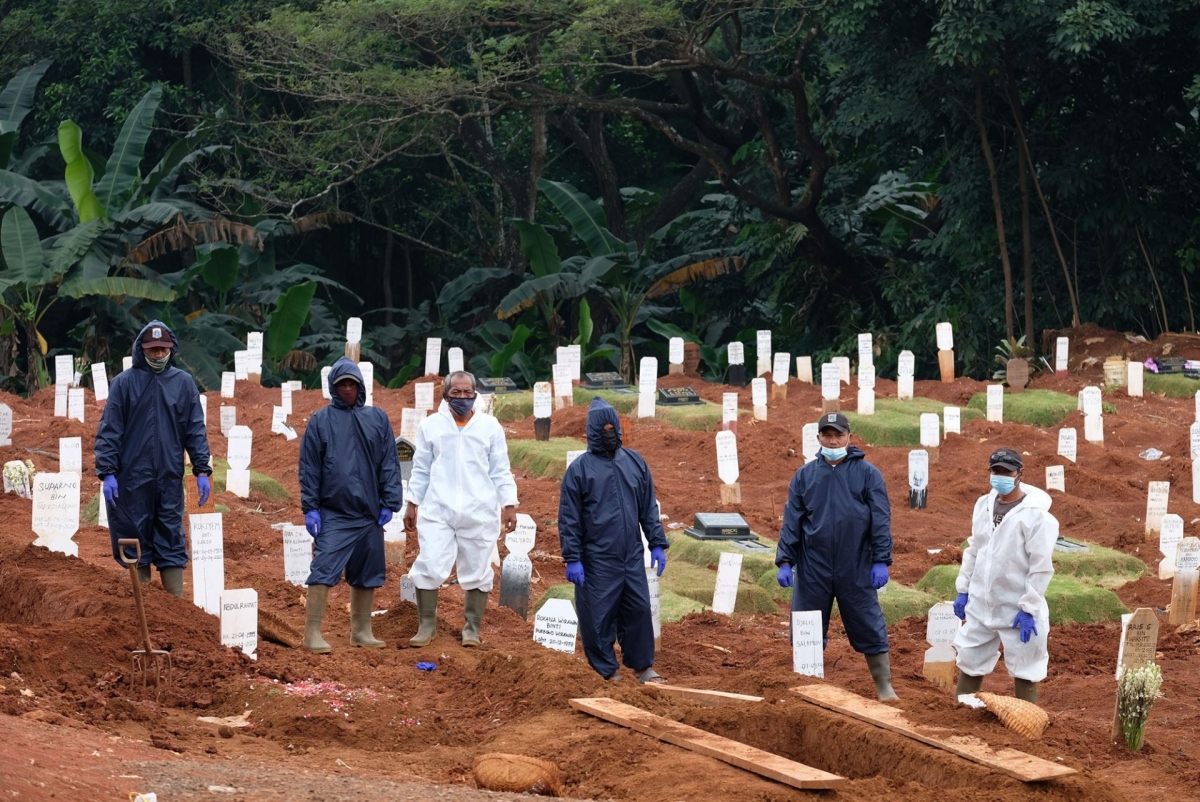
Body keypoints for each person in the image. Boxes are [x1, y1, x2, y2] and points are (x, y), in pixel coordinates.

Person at [776, 412, 897, 700]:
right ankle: (809, 680)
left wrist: (881, 559)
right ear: (818, 438)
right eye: (827, 435)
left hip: (855, 561)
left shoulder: (868, 474)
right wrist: (785, 560)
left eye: (838, 435)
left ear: (848, 437)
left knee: (867, 620)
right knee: (807, 622)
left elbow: (880, 519)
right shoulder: (805, 476)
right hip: (813, 563)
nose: (833, 440)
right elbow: (792, 520)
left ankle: (883, 685)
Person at [95, 320, 213, 598]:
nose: (158, 354)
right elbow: (110, 429)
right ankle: (144, 605)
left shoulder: (183, 384)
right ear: (141, 349)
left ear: (171, 350)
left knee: (171, 533)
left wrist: (202, 470)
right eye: (153, 349)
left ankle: (175, 604)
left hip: (169, 476)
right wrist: (108, 472)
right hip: (132, 478)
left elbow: (194, 429)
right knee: (136, 536)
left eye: (163, 349)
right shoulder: (124, 384)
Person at [404, 370, 518, 648]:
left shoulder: (489, 427)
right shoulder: (431, 426)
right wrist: (412, 502)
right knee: (430, 562)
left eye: (468, 392)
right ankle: (427, 625)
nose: (463, 397)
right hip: (438, 508)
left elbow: (500, 469)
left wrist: (509, 504)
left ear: (475, 394)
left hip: (478, 508)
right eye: (457, 392)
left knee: (478, 566)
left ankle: (472, 628)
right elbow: (421, 469)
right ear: (445, 394)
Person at [559, 397, 668, 683]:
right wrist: (572, 558)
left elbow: (648, 507)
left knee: (639, 610)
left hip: (631, 554)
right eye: (603, 429)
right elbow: (569, 518)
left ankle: (643, 666)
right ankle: (606, 670)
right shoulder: (579, 471)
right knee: (598, 616)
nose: (609, 433)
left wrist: (656, 543)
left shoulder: (634, 462)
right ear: (592, 431)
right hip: (596, 558)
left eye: (612, 427)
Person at [299, 357, 404, 653]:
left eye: (352, 384)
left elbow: (388, 463)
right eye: (342, 384)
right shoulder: (321, 421)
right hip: (335, 511)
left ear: (361, 387)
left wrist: (390, 502)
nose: (347, 389)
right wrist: (311, 508)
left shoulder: (377, 418)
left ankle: (361, 631)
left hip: (370, 513)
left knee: (366, 572)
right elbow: (310, 467)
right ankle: (312, 634)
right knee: (323, 567)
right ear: (333, 387)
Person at [953, 448, 1057, 703]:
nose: (1001, 477)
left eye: (1007, 472)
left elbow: (1040, 566)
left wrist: (1029, 606)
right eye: (996, 471)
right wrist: (964, 589)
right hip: (981, 601)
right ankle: (962, 712)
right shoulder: (984, 506)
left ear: (1020, 474)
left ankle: (1024, 720)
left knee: (1025, 662)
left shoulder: (1036, 516)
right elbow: (975, 549)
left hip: (1015, 605)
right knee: (971, 656)